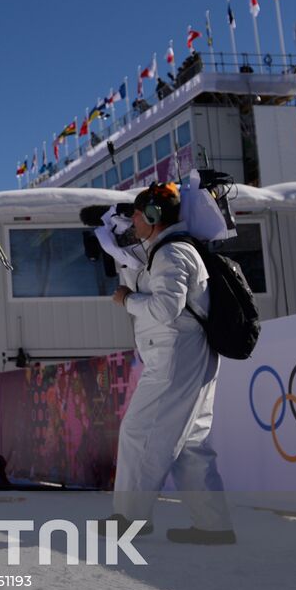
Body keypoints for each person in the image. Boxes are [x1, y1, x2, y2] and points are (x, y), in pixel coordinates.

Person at [110, 183, 235, 545]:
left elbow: (166, 308)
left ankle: (131, 520)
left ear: (153, 216)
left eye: (137, 215)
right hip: (187, 356)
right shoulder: (171, 250)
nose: (134, 221)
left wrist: (128, 300)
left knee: (140, 432)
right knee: (191, 444)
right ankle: (213, 526)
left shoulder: (171, 253)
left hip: (175, 358)